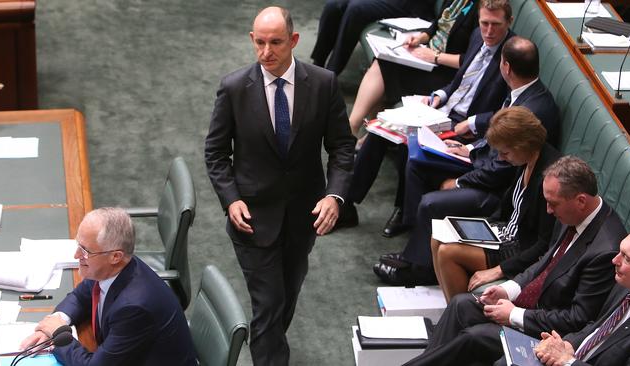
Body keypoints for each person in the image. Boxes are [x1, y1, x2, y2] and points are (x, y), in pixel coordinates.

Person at [204, 7, 355, 366]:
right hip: (252, 218)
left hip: (303, 217)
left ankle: (268, 344)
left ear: (294, 41)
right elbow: (215, 152)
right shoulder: (234, 88)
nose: (266, 51)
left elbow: (342, 147)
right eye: (259, 42)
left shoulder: (323, 84)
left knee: (284, 297)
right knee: (269, 301)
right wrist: (231, 200)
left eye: (275, 42)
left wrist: (335, 195)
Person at [401, 156, 626, 366]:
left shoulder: (606, 251)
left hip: (550, 333)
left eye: (553, 204)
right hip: (533, 306)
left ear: (580, 201)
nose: (548, 210)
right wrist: (508, 290)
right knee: (461, 304)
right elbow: (546, 263)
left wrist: (514, 315)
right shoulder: (571, 213)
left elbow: (577, 319)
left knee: (474, 337)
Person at [375, 36, 560, 286]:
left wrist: (461, 182)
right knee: (416, 160)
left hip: (494, 188)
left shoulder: (533, 117)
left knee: (431, 204)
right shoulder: (522, 101)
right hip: (487, 171)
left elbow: (502, 168)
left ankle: (418, 268)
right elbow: (499, 138)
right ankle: (413, 240)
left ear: (505, 66)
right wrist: (471, 149)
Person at [336, 0, 513, 236]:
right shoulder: (477, 36)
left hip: (465, 129)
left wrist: (472, 123)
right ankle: (346, 206)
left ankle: (402, 213)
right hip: (441, 111)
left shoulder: (512, 54)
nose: (489, 31)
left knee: (409, 142)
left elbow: (507, 111)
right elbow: (460, 80)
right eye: (485, 23)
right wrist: (439, 96)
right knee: (379, 132)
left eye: (495, 25)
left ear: (509, 22)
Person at [19, 207, 197, 366]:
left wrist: (59, 334)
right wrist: (57, 321)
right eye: (78, 245)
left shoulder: (134, 308)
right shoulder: (113, 268)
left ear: (115, 256)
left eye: (85, 251)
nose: (76, 255)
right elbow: (82, 296)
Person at [431, 106, 559, 301]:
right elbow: (507, 209)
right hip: (501, 232)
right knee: (437, 237)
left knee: (448, 252)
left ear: (522, 144)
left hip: (518, 247)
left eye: (505, 153)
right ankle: (450, 306)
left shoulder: (549, 178)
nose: (501, 158)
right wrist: (478, 228)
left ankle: (456, 317)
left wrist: (500, 270)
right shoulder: (525, 160)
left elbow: (543, 245)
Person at [498, 231, 630, 366]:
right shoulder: (625, 285)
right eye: (620, 252)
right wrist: (567, 345)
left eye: (627, 259)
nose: (615, 260)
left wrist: (567, 361)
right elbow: (597, 326)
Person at [310, 0, 436, 75]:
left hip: (410, 4)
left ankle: (330, 74)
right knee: (333, 4)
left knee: (356, 9)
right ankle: (317, 63)